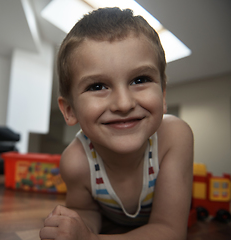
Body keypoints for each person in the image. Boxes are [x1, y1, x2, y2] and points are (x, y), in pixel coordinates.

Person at [39, 7, 193, 240]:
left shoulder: (174, 138)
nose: (123, 103)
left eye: (140, 80)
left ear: (162, 97)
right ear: (70, 110)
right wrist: (75, 229)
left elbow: (170, 230)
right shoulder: (76, 162)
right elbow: (86, 210)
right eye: (98, 86)